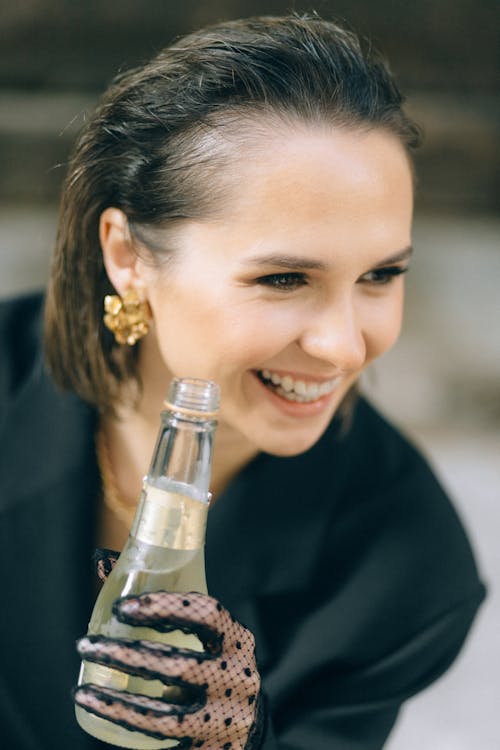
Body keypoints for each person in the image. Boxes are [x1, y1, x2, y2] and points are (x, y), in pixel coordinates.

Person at [0, 14, 485, 750]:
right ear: (128, 255)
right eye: (285, 278)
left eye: (381, 275)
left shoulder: (406, 563)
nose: (345, 344)